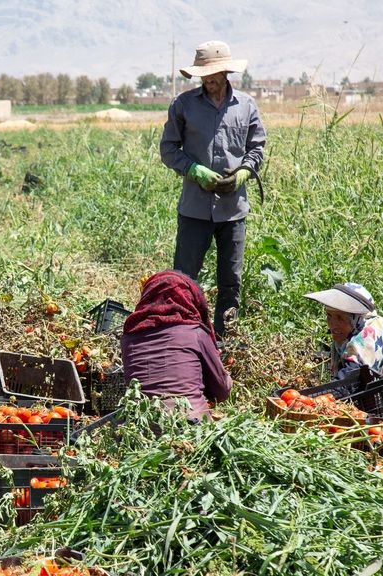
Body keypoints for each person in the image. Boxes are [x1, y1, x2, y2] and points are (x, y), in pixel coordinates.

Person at [160, 40, 266, 339]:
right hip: (194, 208)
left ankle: (223, 343)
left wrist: (244, 173)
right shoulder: (183, 105)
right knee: (183, 278)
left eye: (214, 74)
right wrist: (194, 170)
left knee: (230, 280)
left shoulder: (245, 106)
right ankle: (180, 337)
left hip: (232, 212)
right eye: (204, 75)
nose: (209, 80)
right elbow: (168, 149)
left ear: (227, 72)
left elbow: (257, 148)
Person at [120, 270, 232, 420]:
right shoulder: (195, 332)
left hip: (139, 430)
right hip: (190, 430)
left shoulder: (128, 337)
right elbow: (222, 392)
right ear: (190, 299)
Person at [304, 283, 383, 412]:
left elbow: (348, 381)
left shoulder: (368, 336)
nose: (332, 324)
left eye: (340, 318)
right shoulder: (350, 333)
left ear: (357, 318)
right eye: (329, 316)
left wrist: (310, 400)